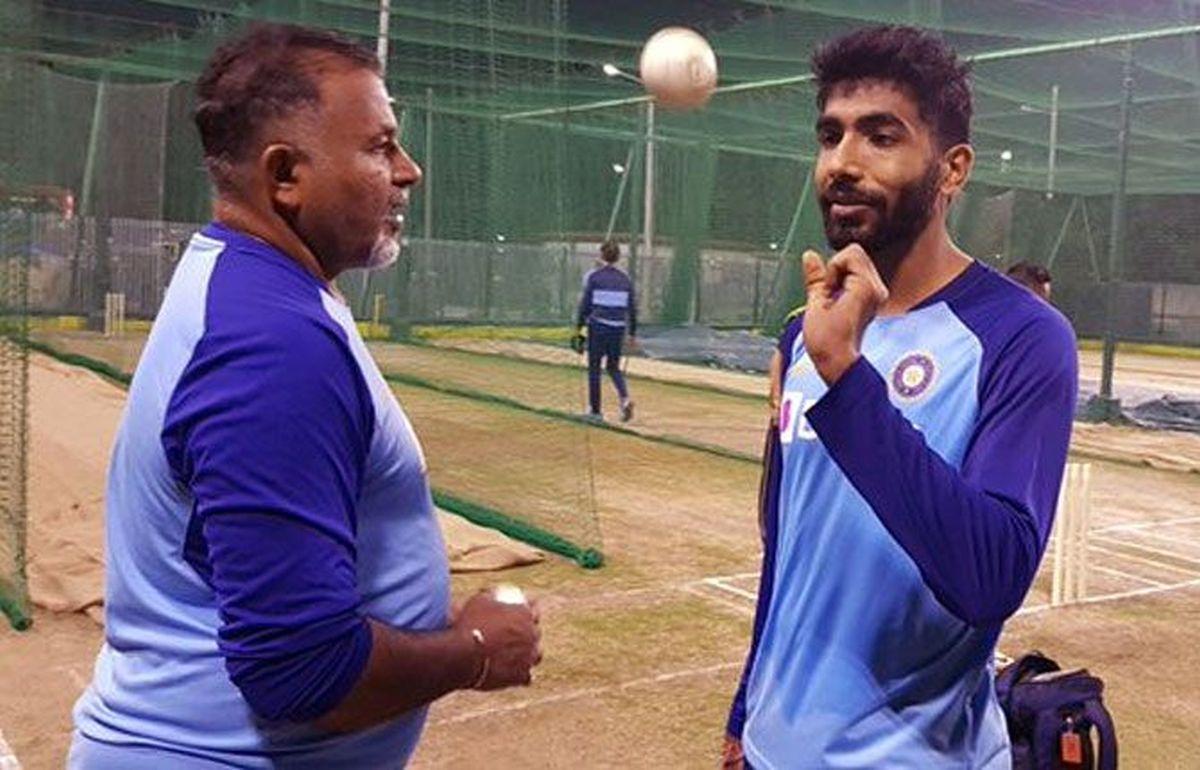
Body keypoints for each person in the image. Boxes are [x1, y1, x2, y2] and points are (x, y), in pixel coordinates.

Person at [70, 24, 540, 769]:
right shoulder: (271, 345)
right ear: (285, 174)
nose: (408, 170)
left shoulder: (253, 287)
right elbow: (302, 673)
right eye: (381, 147)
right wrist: (475, 651)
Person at [723, 26, 1077, 769]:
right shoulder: (803, 334)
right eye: (830, 137)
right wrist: (744, 710)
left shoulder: (1022, 336)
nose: (843, 164)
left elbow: (991, 577)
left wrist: (848, 378)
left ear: (952, 170)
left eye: (880, 137)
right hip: (769, 750)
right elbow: (785, 543)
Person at [574, 239, 637, 422]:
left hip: (598, 327)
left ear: (602, 255)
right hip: (618, 329)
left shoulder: (595, 277)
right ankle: (625, 398)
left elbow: (585, 306)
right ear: (618, 257)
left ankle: (595, 412)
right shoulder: (625, 279)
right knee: (613, 367)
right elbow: (632, 308)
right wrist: (632, 334)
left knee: (594, 368)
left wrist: (578, 329)